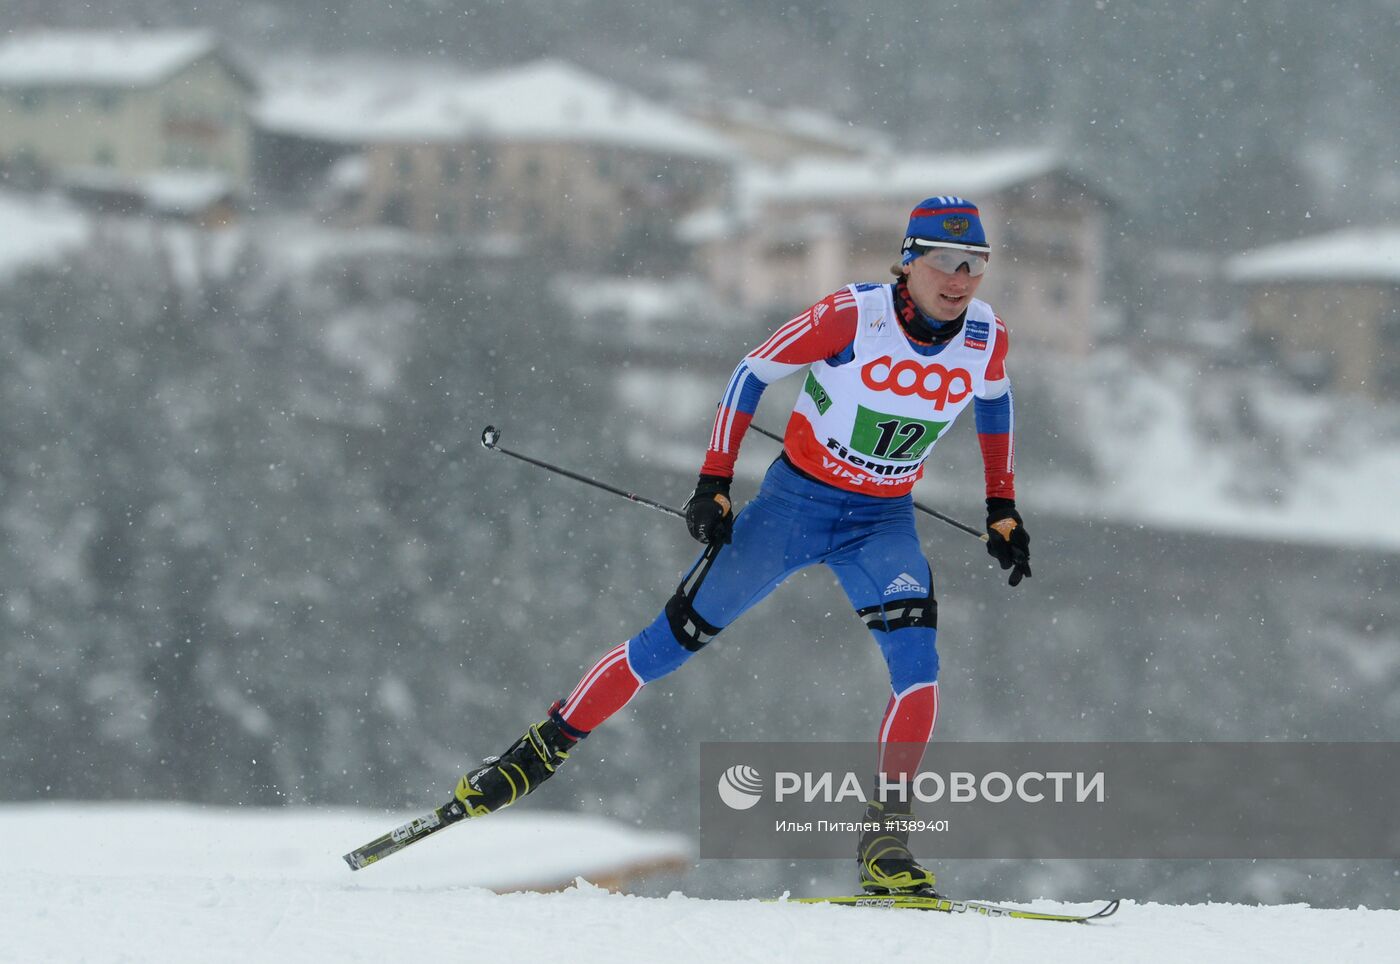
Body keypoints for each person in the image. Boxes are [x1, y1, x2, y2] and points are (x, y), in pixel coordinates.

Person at [445, 197, 1031, 895]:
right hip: (794, 508)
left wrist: (1002, 507)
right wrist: (713, 483)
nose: (961, 278)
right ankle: (532, 754)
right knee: (666, 645)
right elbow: (752, 371)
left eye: (975, 265)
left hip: (883, 522)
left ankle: (885, 843)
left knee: (920, 669)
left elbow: (994, 400)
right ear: (909, 262)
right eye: (945, 261)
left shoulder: (986, 336)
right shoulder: (856, 315)